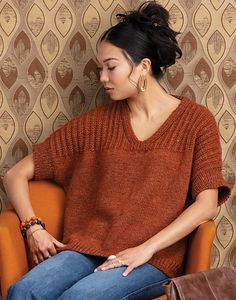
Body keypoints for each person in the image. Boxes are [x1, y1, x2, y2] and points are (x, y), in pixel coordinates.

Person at [3, 1, 231, 299]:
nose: (102, 78)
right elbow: (15, 174)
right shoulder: (94, 125)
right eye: (101, 68)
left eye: (111, 67)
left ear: (144, 67)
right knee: (23, 291)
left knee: (79, 298)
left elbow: (207, 205)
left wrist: (145, 249)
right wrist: (34, 227)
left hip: (153, 259)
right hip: (87, 249)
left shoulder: (197, 122)